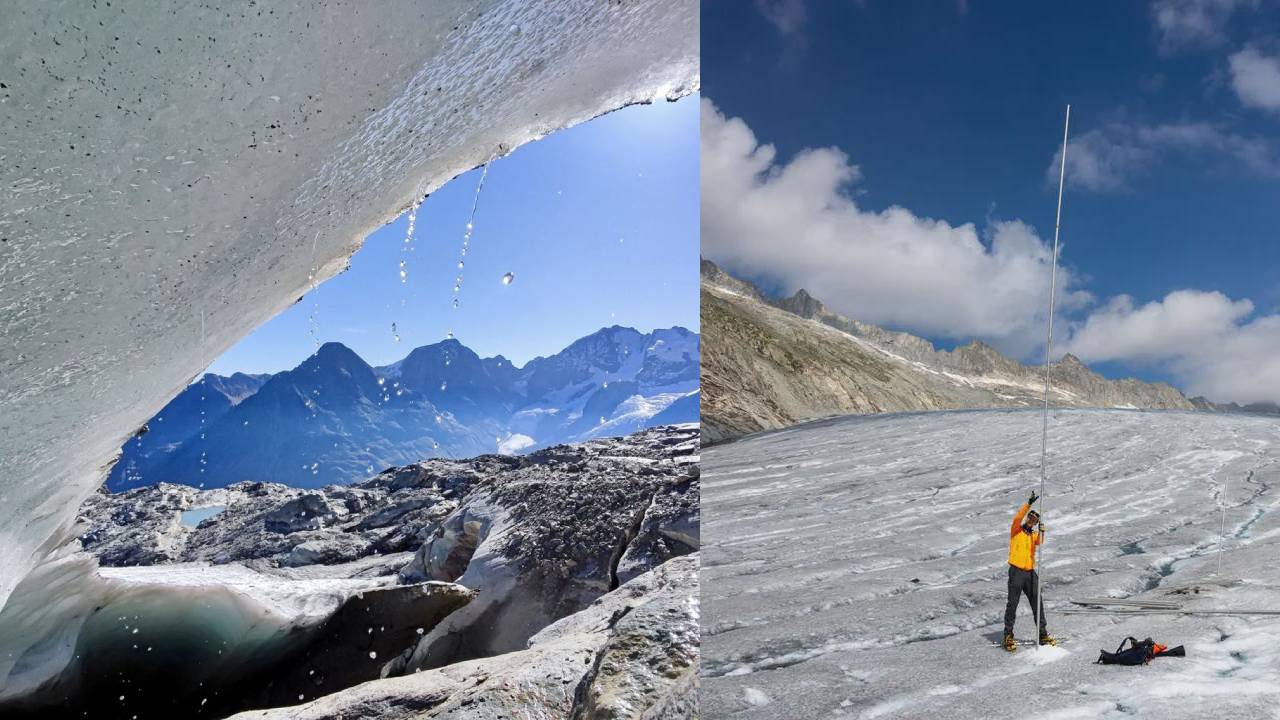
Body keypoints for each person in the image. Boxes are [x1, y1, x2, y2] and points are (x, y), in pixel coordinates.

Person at [1003, 491, 1057, 652]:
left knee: (1037, 602)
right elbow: (1017, 518)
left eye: (1035, 519)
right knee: (1013, 603)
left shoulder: (1033, 535)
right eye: (1031, 517)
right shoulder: (1016, 530)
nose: (1032, 520)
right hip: (1016, 571)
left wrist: (1042, 531)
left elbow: (1039, 542)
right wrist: (1029, 504)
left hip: (1030, 572)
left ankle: (1042, 634)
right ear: (1028, 518)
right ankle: (1008, 635)